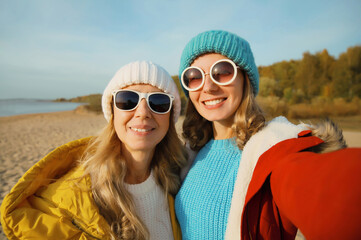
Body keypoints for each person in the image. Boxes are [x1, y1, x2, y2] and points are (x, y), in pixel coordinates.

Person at [174, 30, 361, 240]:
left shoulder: (272, 149)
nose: (208, 87)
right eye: (194, 76)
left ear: (246, 80)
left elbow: (324, 190)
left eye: (223, 71)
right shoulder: (189, 154)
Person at [1, 61, 187, 240]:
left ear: (170, 117)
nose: (143, 112)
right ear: (113, 111)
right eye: (128, 99)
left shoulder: (180, 181)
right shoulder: (72, 197)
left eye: (159, 102)